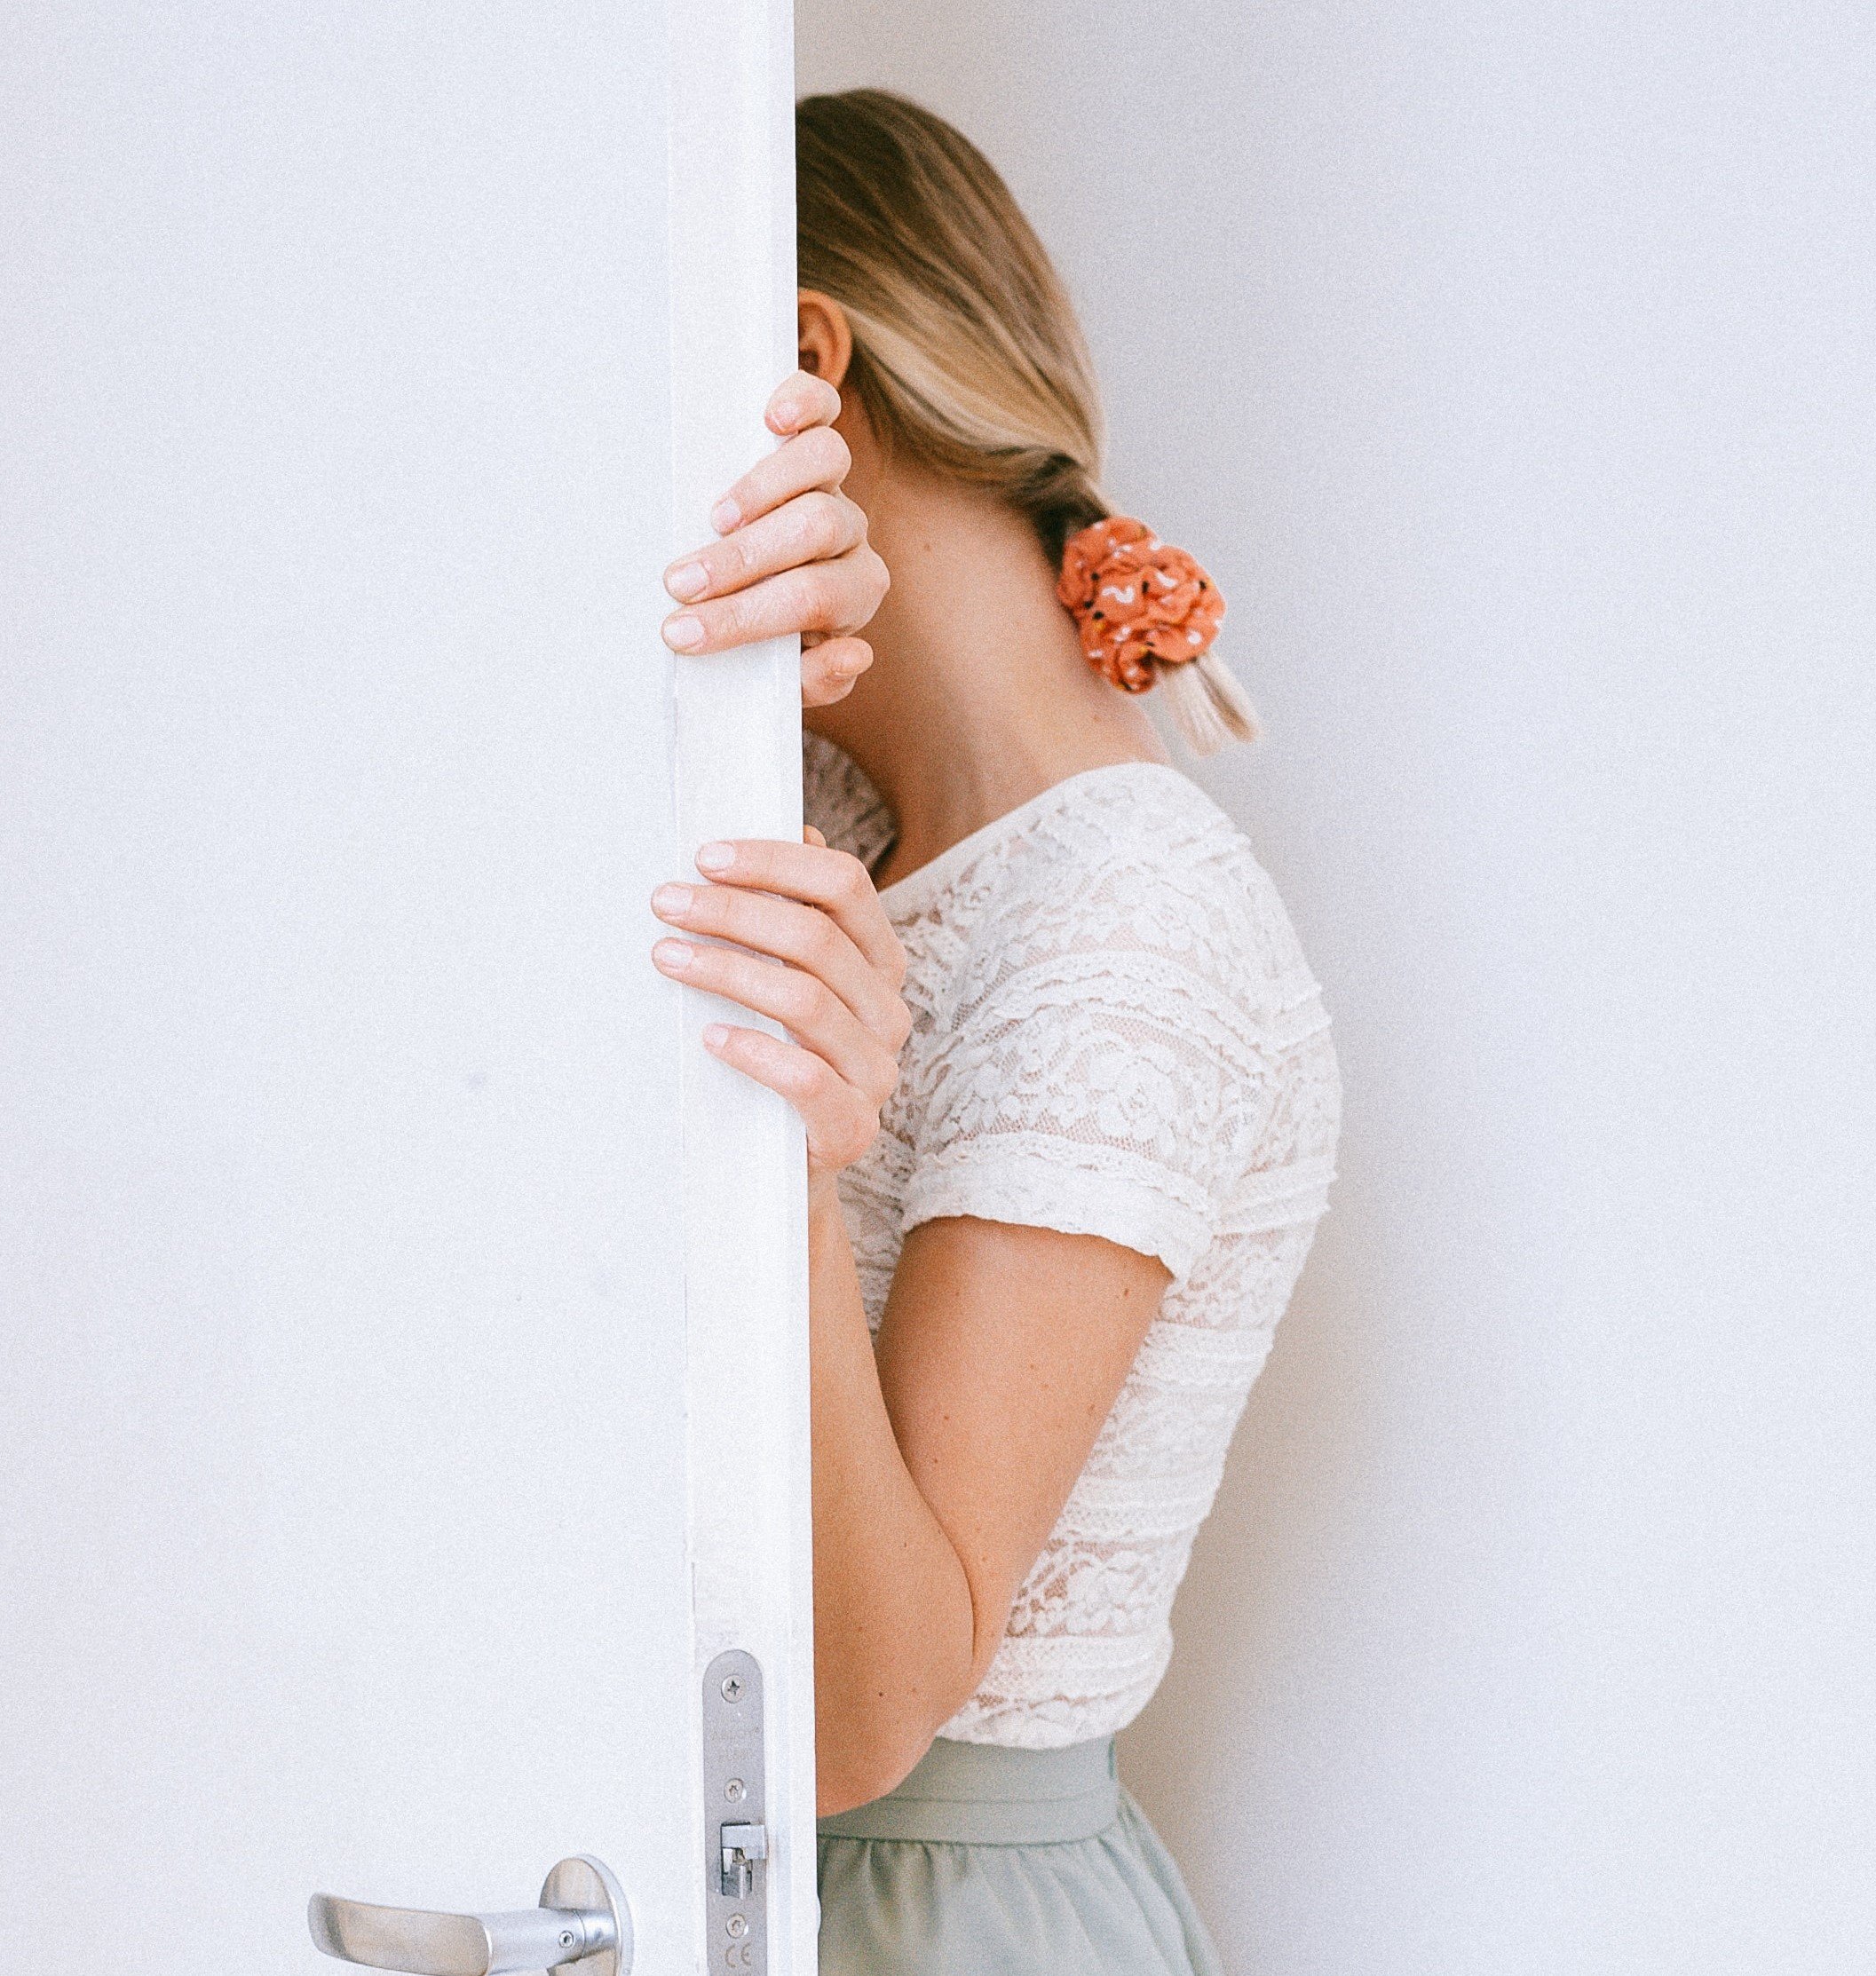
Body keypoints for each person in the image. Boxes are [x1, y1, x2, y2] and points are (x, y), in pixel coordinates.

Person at [647, 88, 1339, 1976]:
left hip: (918, 1916)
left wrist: (782, 1183)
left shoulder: (1128, 918)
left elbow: (870, 1716)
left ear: (801, 363)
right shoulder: (843, 830)